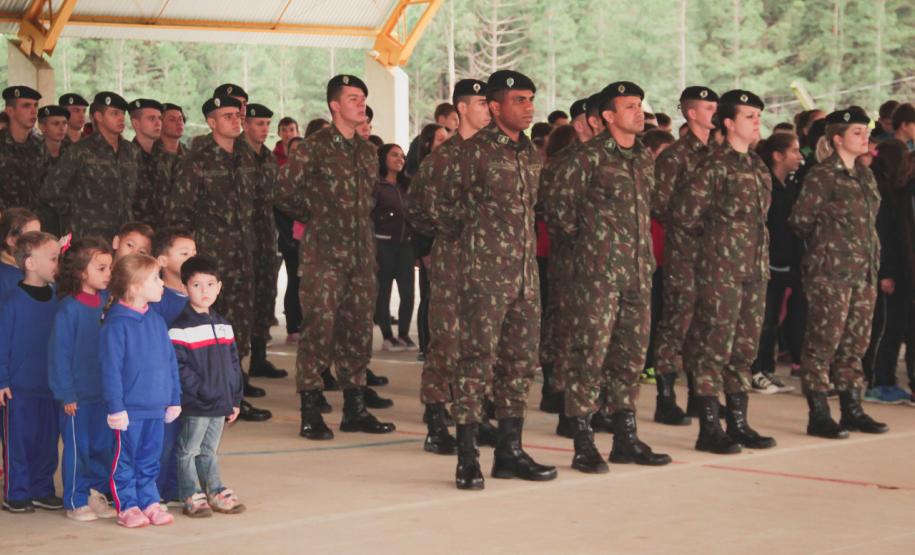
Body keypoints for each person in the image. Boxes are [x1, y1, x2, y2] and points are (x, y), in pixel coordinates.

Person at [446, 69, 556, 490]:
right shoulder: (472, 152)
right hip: (485, 278)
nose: (529, 107)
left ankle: (509, 451)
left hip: (525, 279)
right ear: (495, 107)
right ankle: (468, 457)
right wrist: (475, 242)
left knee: (519, 366)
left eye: (531, 99)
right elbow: (429, 207)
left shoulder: (529, 153)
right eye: (520, 100)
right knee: (476, 364)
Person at [556, 82, 670, 473]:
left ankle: (626, 438)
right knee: (589, 356)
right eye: (629, 106)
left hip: (638, 274)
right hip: (598, 277)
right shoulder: (586, 159)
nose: (639, 113)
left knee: (630, 358)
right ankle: (583, 441)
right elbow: (560, 215)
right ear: (607, 116)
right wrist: (593, 251)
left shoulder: (642, 159)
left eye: (640, 105)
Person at [277, 74, 395, 440]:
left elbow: (369, 199)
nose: (361, 104)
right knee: (319, 330)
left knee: (359, 330)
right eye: (354, 98)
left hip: (361, 254)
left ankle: (355, 408)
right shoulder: (312, 148)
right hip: (324, 255)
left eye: (363, 98)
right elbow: (284, 193)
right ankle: (311, 410)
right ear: (335, 105)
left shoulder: (366, 151)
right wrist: (318, 213)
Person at [673, 89, 776, 454]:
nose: (757, 122)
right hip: (720, 272)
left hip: (753, 270)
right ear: (729, 123)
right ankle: (709, 428)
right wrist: (714, 249)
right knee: (712, 348)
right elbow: (685, 215)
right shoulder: (714, 165)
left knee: (744, 349)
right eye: (750, 116)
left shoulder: (757, 165)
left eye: (759, 116)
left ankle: (738, 421)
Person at [167, 96, 273, 423]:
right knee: (205, 328)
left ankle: (233, 394)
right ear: (212, 122)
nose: (235, 120)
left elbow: (256, 208)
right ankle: (207, 398)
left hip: (243, 256)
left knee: (236, 327)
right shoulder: (196, 159)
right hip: (212, 260)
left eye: (237, 114)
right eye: (227, 116)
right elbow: (179, 213)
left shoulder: (245, 158)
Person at [404, 78, 492, 456]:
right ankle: (437, 419)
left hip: (492, 266)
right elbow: (417, 210)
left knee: (484, 342)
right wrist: (449, 231)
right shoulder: (443, 158)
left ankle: (475, 412)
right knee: (447, 343)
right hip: (453, 265)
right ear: (462, 109)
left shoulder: (498, 154)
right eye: (481, 102)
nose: (489, 108)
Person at [789, 109, 889, 438]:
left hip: (863, 272)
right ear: (837, 139)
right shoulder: (822, 176)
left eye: (866, 132)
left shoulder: (865, 175)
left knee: (855, 344)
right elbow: (800, 220)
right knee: (822, 343)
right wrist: (828, 246)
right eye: (858, 132)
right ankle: (818, 413)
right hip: (830, 274)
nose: (865, 138)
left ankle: (852, 409)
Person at [650, 86, 718, 426]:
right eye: (708, 107)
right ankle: (665, 397)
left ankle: (699, 394)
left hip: (716, 256)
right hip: (684, 253)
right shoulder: (675, 156)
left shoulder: (719, 153)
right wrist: (693, 219)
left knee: (706, 326)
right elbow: (659, 203)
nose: (714, 113)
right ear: (691, 113)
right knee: (676, 323)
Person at [100, 253, 181, 528]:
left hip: (155, 408)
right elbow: (110, 371)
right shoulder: (117, 324)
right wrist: (116, 407)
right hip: (130, 410)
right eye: (155, 279)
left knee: (150, 458)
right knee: (125, 459)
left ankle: (149, 501)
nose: (161, 284)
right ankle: (128, 505)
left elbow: (170, 363)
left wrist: (173, 399)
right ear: (135, 287)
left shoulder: (156, 321)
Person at [169, 256, 246, 518]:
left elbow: (234, 364)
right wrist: (202, 390)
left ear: (219, 287)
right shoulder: (180, 327)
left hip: (220, 402)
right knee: (188, 449)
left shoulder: (223, 325)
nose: (205, 291)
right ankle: (190, 493)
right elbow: (179, 368)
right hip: (198, 403)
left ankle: (214, 489)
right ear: (185, 288)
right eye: (197, 285)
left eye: (210, 284)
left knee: (209, 449)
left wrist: (235, 398)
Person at [48, 236, 118, 521]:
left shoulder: (108, 303)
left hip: (104, 393)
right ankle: (76, 499)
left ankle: (96, 494)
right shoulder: (69, 308)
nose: (108, 274)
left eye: (110, 268)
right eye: (101, 268)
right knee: (79, 449)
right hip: (77, 398)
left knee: (103, 447)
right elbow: (59, 355)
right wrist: (67, 393)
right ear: (80, 272)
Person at [0, 231, 62, 513]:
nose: (57, 264)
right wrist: (2, 380)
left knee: (47, 442)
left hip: (49, 386)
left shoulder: (56, 298)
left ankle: (42, 487)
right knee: (19, 443)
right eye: (52, 258)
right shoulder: (11, 302)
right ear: (30, 263)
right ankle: (17, 492)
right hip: (19, 388)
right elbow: (2, 343)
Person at [41, 92, 138, 240]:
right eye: (114, 113)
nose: (121, 118)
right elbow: (50, 191)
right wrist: (75, 211)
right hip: (88, 235)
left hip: (124, 233)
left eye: (122, 114)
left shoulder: (131, 150)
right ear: (98, 117)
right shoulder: (80, 151)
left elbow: (135, 192)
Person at [750, 132, 804, 395]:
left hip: (786, 264)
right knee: (764, 319)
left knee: (774, 321)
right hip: (766, 263)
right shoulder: (766, 186)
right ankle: (755, 370)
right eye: (794, 151)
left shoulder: (790, 187)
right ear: (777, 155)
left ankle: (767, 368)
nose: (799, 157)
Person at [863, 138, 914, 403]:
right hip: (889, 271)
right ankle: (879, 381)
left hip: (900, 269)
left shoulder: (896, 189)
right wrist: (886, 273)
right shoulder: (881, 190)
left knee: (898, 327)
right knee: (886, 328)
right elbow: (882, 236)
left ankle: (886, 379)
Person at [238, 103, 286, 381]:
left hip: (266, 237)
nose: (265, 129)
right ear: (245, 125)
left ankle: (259, 359)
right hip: (241, 239)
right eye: (259, 123)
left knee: (265, 298)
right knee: (242, 303)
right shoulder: (237, 156)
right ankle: (238, 372)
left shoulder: (268, 158)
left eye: (268, 124)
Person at [412, 123, 451, 359]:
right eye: (440, 140)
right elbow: (416, 214)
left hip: (450, 248)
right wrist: (424, 250)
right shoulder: (425, 173)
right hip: (431, 247)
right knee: (429, 297)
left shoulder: (451, 171)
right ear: (428, 145)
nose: (445, 145)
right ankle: (426, 347)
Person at [373, 144, 416, 351]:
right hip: (383, 245)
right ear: (383, 158)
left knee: (408, 292)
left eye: (402, 156)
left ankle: (404, 334)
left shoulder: (407, 186)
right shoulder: (377, 186)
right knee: (383, 292)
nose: (400, 159)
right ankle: (388, 336)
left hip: (406, 246)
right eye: (394, 155)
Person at [1, 86, 47, 215]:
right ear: (10, 111)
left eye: (35, 105)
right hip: (5, 224)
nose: (34, 111)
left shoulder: (41, 144)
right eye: (26, 106)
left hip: (35, 223)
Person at [129, 98, 172, 228]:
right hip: (137, 231)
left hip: (164, 230)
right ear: (136, 123)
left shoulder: (166, 156)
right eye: (151, 119)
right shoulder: (126, 156)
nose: (158, 123)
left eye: (160, 118)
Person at [405, 103, 458, 176]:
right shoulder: (420, 140)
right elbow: (411, 170)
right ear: (442, 119)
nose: (458, 123)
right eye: (455, 119)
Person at [0, 208, 41, 300]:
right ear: (11, 240)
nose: (40, 241)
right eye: (32, 236)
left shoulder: (32, 265)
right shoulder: (5, 279)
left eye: (39, 235)